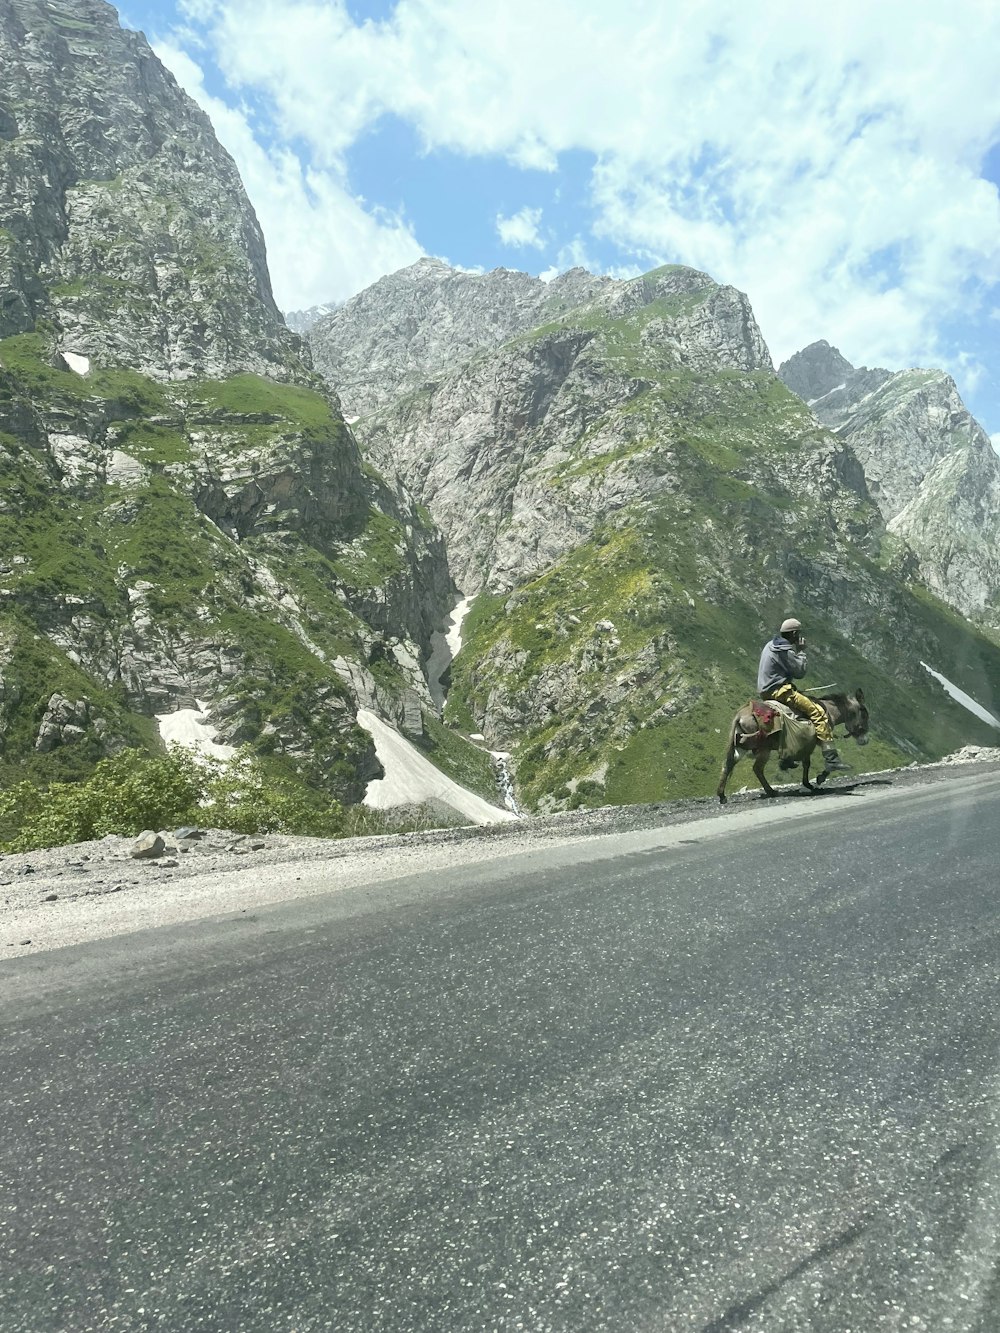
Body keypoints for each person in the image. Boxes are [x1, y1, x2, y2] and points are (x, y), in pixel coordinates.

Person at [757, 617, 849, 770]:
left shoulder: (770, 645)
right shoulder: (784, 651)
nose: (799, 636)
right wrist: (801, 651)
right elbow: (800, 672)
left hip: (765, 691)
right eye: (798, 633)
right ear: (793, 634)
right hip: (779, 691)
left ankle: (788, 755)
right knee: (818, 712)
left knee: (795, 717)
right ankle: (831, 758)